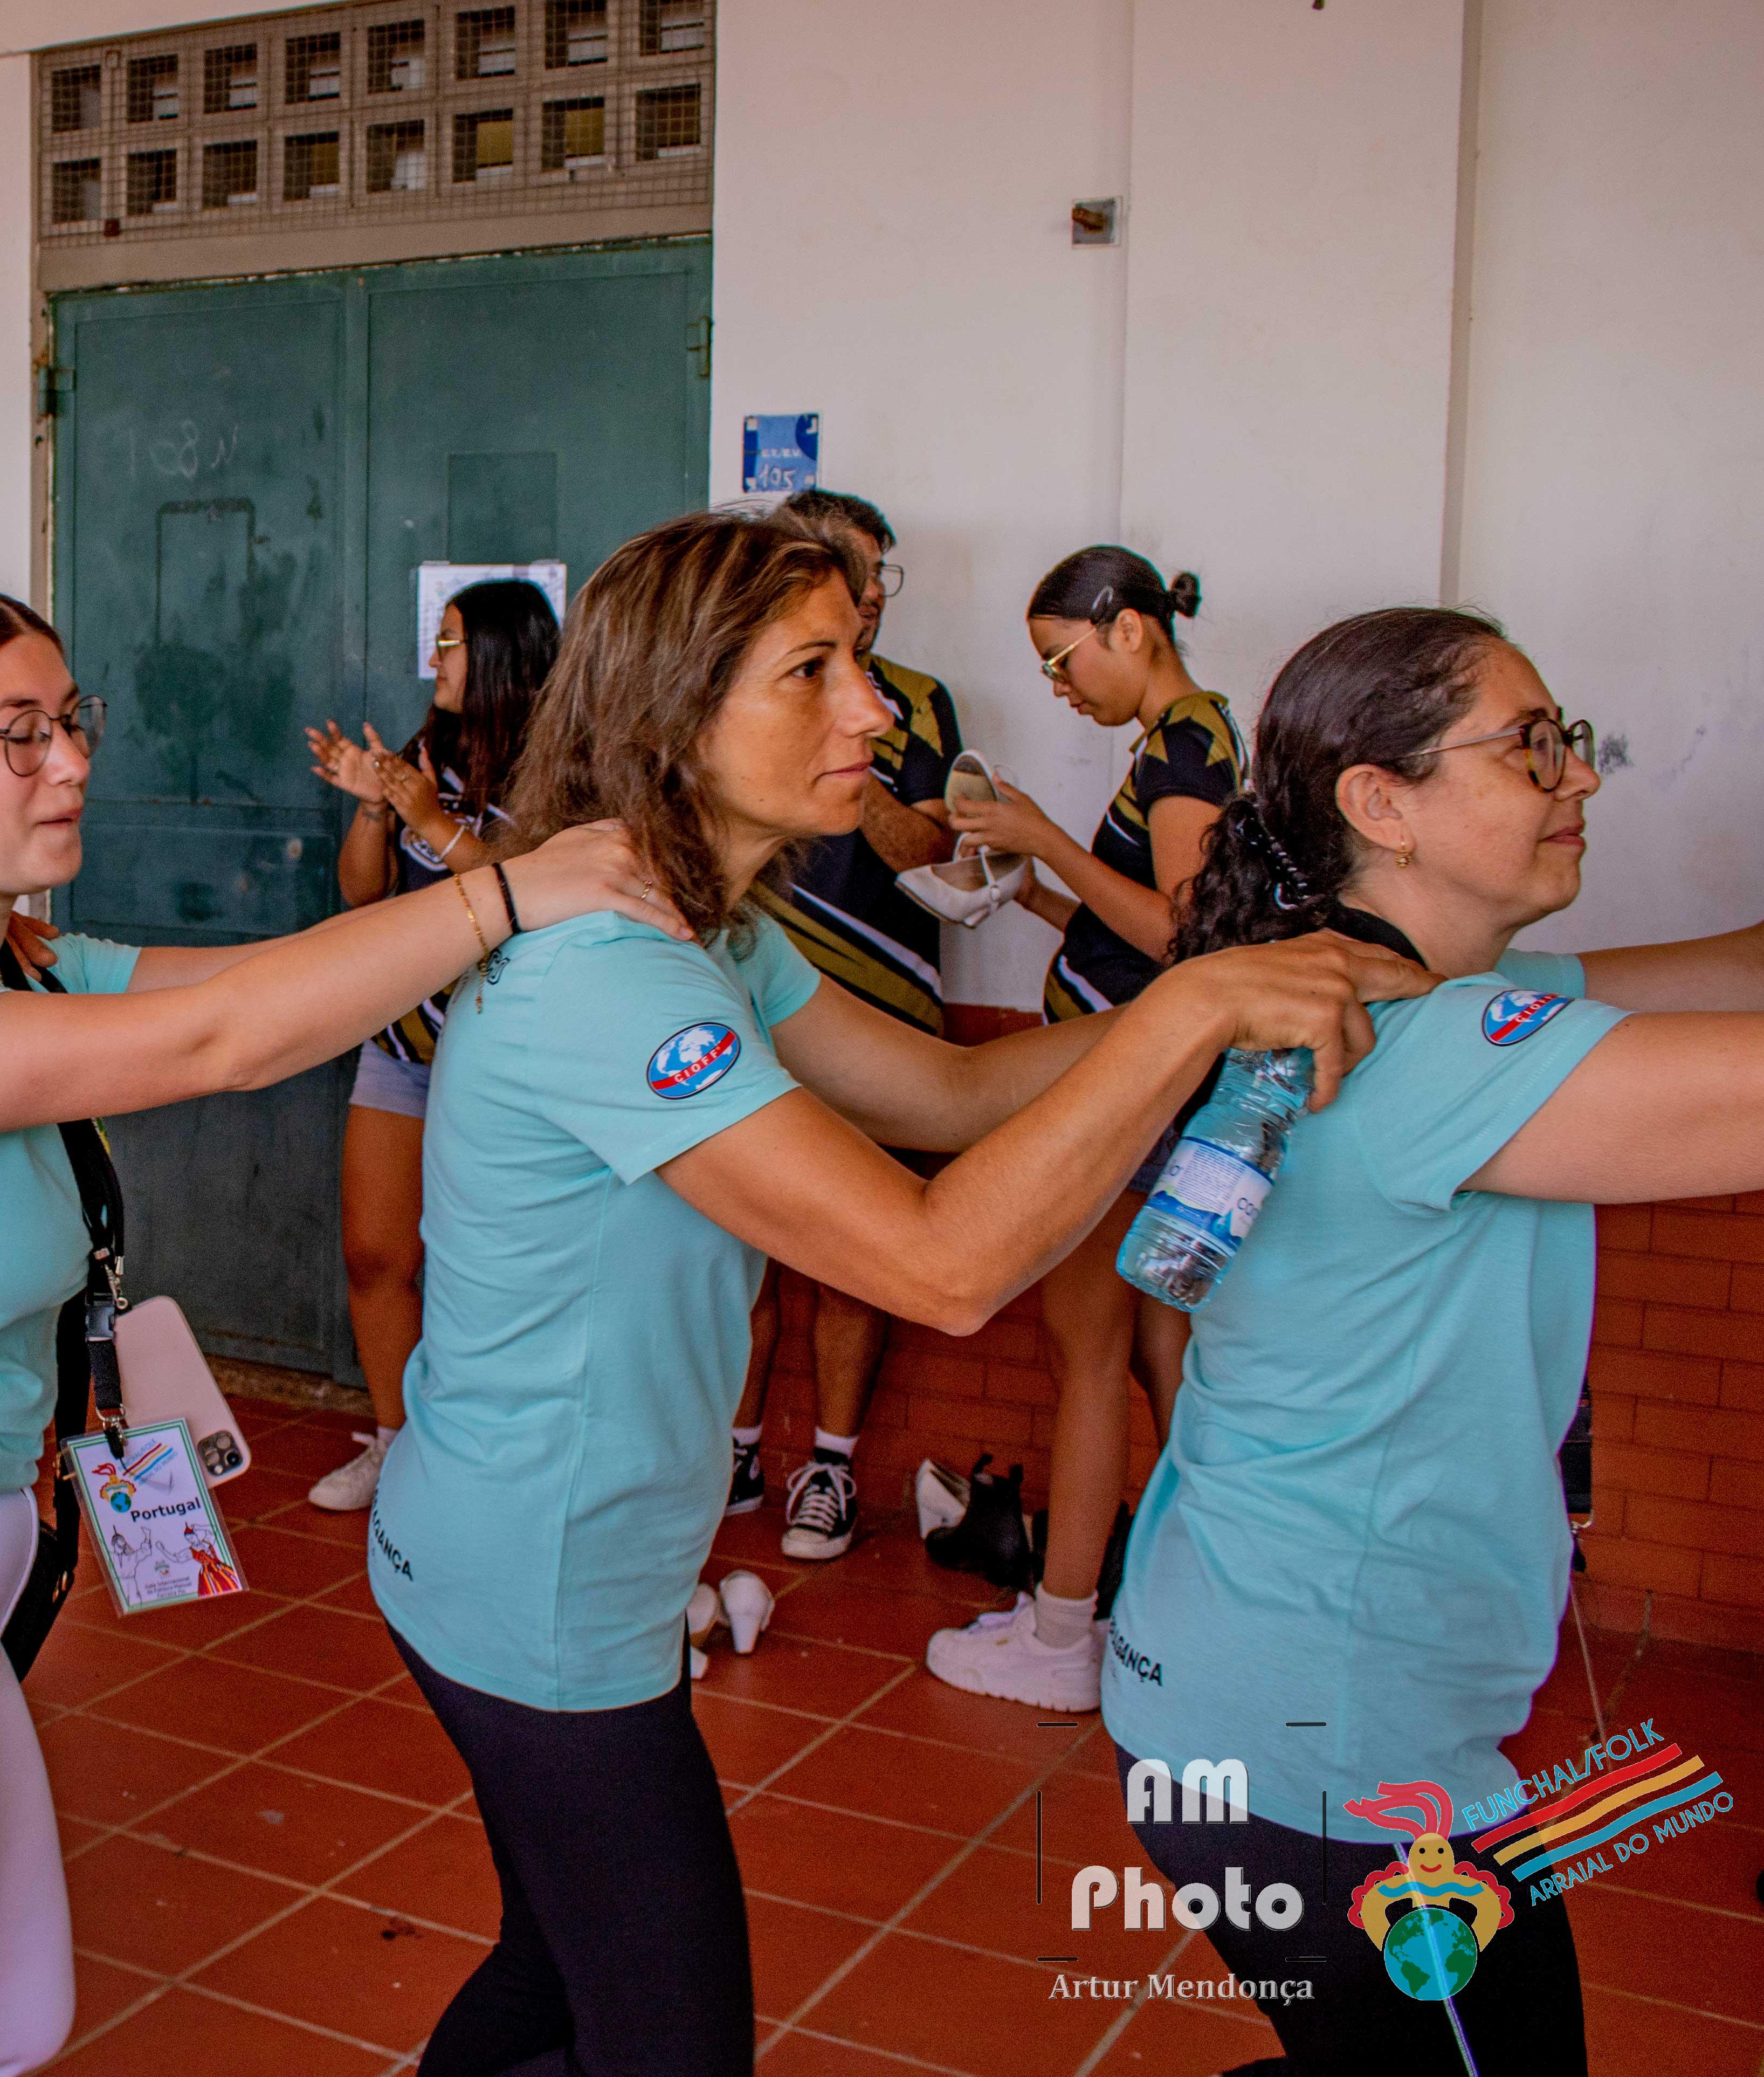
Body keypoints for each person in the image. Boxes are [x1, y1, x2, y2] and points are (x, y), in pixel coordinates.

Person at [365, 508, 1421, 2076]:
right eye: (812, 670)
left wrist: (1211, 1011)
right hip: (532, 1583)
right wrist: (1192, 1006)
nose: (871, 709)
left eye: (856, 661)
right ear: (673, 708)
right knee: (663, 2040)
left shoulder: (712, 929)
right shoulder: (610, 975)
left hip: (536, 1556)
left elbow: (947, 1090)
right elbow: (939, 1263)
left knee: (553, 1970)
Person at [0, 575, 675, 2077]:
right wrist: (510, 892)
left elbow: (261, 986)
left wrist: (496, 920)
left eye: (74, 722)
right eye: (19, 734)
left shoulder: (18, 959)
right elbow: (218, 1040)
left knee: (6, 2026)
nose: (72, 761)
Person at [1107, 606, 1764, 2071]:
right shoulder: (1445, 1052)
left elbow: (1742, 968)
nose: (1578, 776)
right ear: (1380, 802)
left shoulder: (1420, 1003)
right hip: (1329, 1758)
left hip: (1243, 1702)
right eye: (1531, 746)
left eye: (1566, 740)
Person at [924, 545, 1237, 1707]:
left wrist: (1050, 836)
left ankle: (1061, 1638)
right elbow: (1129, 926)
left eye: (1063, 660)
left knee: (1087, 1355)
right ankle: (1203, 1605)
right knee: (1154, 1355)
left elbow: (1183, 940)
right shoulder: (1180, 741)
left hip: (1129, 1090)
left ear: (1130, 628)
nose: (1058, 687)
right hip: (1143, 1078)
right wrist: (1030, 887)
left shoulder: (1190, 744)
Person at [731, 486, 964, 1559]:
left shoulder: (914, 702)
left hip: (884, 1015)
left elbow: (928, 852)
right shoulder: (737, 689)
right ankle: (735, 1448)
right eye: (849, 569)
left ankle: (828, 1464)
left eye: (878, 577)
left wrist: (844, 741)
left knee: (845, 1255)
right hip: (750, 1007)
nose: (871, 595)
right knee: (738, 1251)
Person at [297, 576, 560, 1512]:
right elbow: (363, 893)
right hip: (404, 1040)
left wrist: (430, 822)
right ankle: (395, 1444)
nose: (436, 660)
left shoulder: (559, 767)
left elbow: (534, 893)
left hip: (507, 1056)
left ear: (500, 656)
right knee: (377, 1253)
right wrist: (377, 805)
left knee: (493, 1271)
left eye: (451, 643)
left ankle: (491, 1463)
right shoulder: (424, 754)